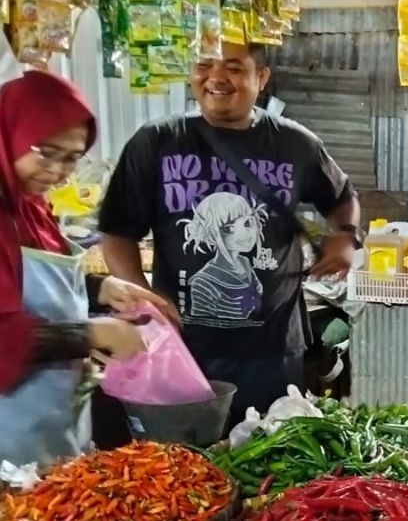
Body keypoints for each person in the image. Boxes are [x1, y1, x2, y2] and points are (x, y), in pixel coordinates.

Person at [99, 42, 362, 423]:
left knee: (271, 460)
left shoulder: (294, 143)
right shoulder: (155, 142)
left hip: (273, 352)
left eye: (234, 68)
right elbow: (117, 232)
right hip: (184, 349)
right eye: (205, 65)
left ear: (262, 78)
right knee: (185, 466)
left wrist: (346, 235)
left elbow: (341, 197)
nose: (217, 77)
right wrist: (145, 296)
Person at [0, 70, 167, 465]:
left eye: (72, 158)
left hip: (48, 419)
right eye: (45, 151)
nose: (57, 171)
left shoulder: (28, 204)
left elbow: (30, 277)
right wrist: (92, 332)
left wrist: (100, 288)